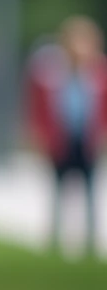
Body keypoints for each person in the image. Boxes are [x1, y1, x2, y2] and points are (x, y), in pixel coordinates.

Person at [25, 15, 107, 256]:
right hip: (60, 140)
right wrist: (39, 136)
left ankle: (91, 242)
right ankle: (55, 241)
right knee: (58, 192)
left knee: (90, 191)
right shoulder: (49, 74)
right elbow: (37, 109)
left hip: (87, 140)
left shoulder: (99, 75)